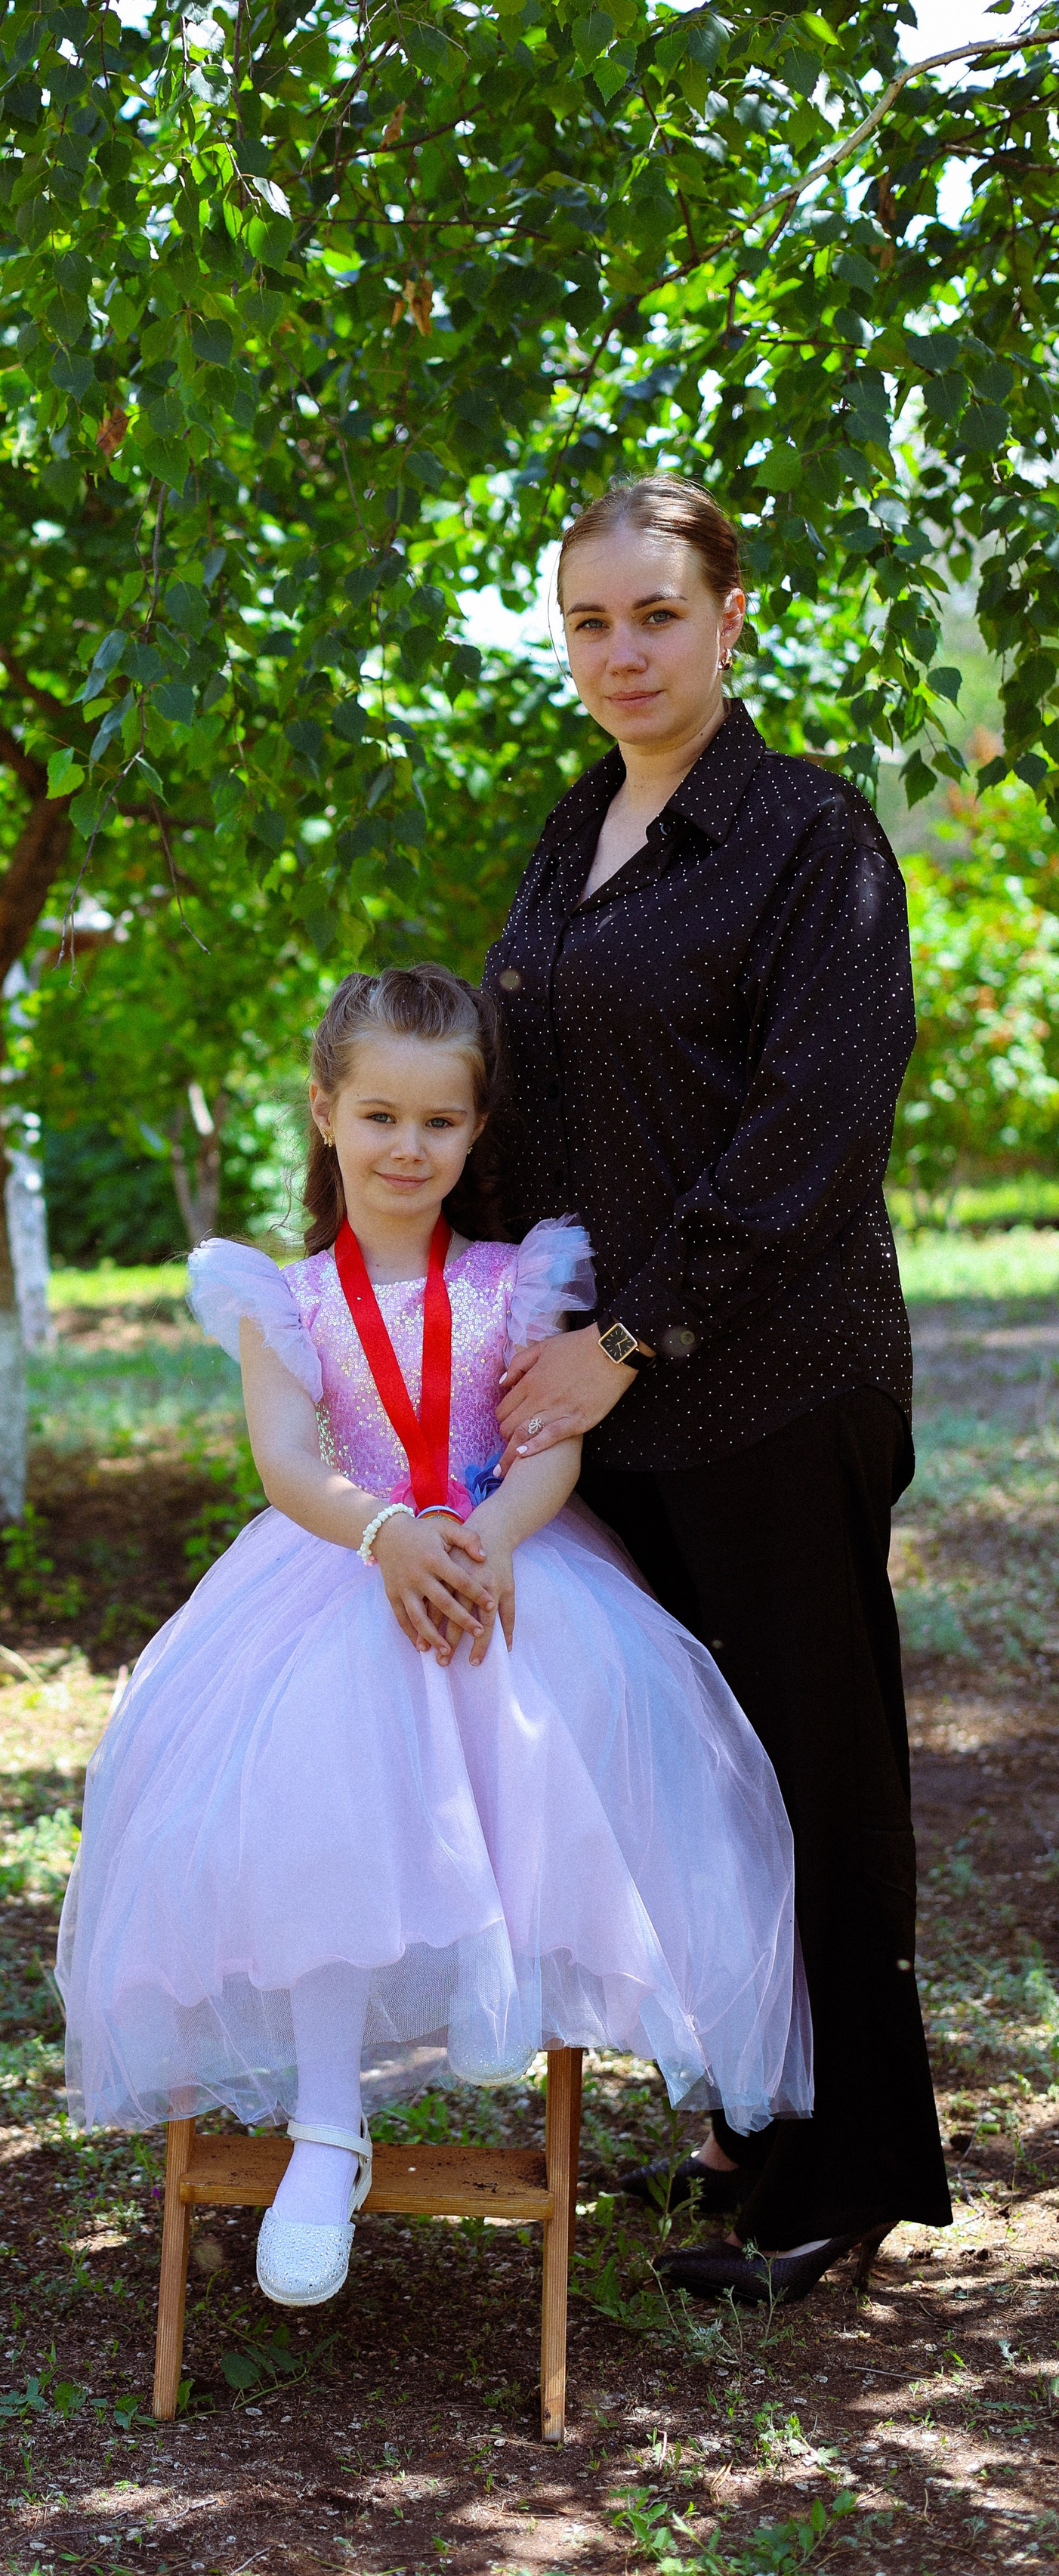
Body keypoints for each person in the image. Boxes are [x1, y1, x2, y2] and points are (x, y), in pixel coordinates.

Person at [57, 966, 812, 2312]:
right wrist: (384, 1535)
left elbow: (550, 1442)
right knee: (321, 1807)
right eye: (381, 1116)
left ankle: (498, 2010)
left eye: (440, 1122)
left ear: (475, 1130)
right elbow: (289, 1461)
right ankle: (327, 2128)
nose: (408, 1147)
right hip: (344, 1569)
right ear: (326, 1113)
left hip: (500, 1568)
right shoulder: (285, 1297)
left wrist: (499, 1532)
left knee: (545, 1773)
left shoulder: (521, 1280)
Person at [484, 474, 951, 2300]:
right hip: (607, 1407)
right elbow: (526, 1105)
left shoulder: (805, 835)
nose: (620, 652)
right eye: (588, 621)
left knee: (808, 1775)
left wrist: (625, 1336)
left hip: (765, 1383)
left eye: (654, 615)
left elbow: (809, 1131)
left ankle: (851, 2167)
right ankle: (743, 2124)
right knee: (684, 1787)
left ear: (728, 615)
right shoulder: (569, 832)